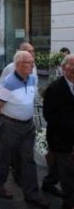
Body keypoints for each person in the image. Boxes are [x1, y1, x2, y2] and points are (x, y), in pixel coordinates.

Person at [0, 51, 50, 208]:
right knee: (6, 158)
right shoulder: (7, 83)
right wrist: (3, 123)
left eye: (33, 61)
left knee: (28, 160)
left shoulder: (32, 78)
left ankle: (32, 194)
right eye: (28, 62)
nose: (32, 65)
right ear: (17, 65)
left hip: (28, 126)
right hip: (10, 126)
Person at [43, 54, 74, 209]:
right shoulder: (54, 88)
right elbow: (48, 115)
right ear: (63, 68)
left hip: (69, 137)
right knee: (68, 172)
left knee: (57, 166)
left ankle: (48, 183)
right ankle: (69, 203)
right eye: (71, 65)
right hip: (59, 137)